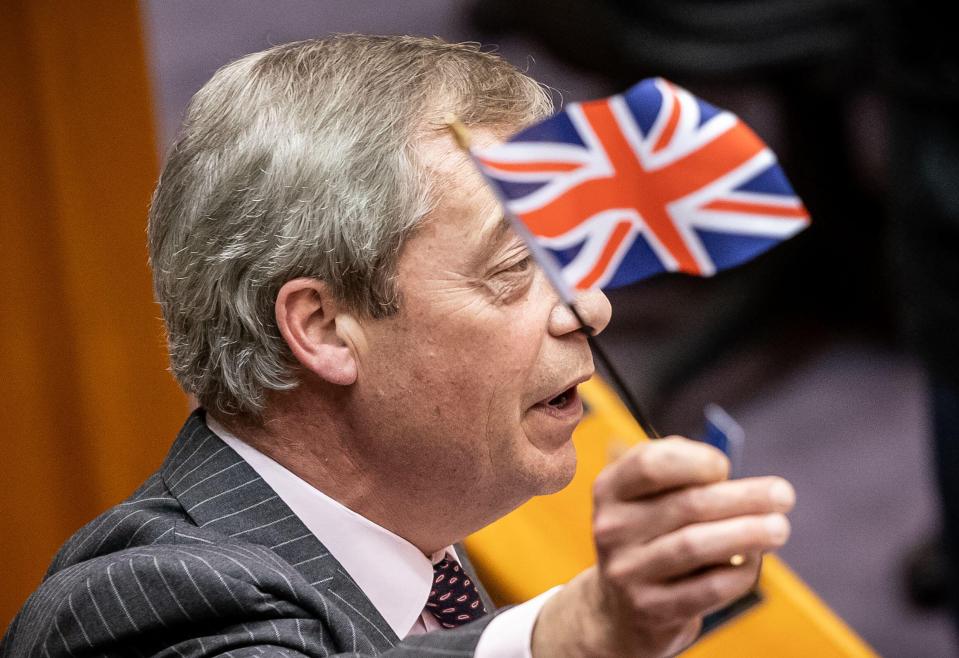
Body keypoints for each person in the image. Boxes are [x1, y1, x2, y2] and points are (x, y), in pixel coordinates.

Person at [1, 35, 795, 657]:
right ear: (321, 328)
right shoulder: (151, 601)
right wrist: (577, 634)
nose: (587, 306)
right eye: (517, 266)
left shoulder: (416, 543)